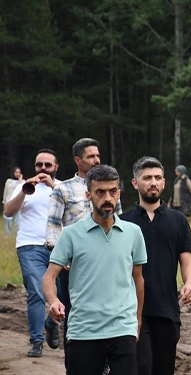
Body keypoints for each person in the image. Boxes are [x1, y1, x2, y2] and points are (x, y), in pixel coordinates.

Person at [42, 164, 147, 375]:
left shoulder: (134, 233)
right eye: (100, 192)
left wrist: (137, 320)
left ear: (119, 193)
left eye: (112, 191)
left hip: (122, 329)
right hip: (84, 331)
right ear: (89, 194)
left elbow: (138, 280)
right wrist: (53, 301)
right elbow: (49, 278)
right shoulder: (71, 234)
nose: (107, 198)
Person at [46, 137, 121, 369]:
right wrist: (62, 254)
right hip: (74, 264)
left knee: (110, 309)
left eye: (98, 155)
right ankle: (75, 364)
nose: (97, 159)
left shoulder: (110, 185)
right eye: (91, 156)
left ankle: (106, 362)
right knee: (75, 317)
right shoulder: (63, 189)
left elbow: (118, 219)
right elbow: (52, 225)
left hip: (106, 261)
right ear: (78, 160)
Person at [120, 157, 191, 375]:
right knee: (142, 368)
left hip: (167, 310)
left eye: (157, 178)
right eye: (147, 178)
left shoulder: (178, 220)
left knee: (164, 370)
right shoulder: (123, 222)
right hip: (132, 311)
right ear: (135, 183)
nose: (153, 182)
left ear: (164, 182)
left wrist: (189, 284)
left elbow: (187, 260)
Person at [3, 150, 61, 357]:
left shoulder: (62, 187)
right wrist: (24, 191)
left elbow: (74, 211)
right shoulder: (23, 186)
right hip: (29, 246)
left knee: (61, 294)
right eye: (39, 165)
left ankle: (50, 323)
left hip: (59, 247)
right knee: (36, 291)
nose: (43, 169)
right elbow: (8, 212)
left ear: (56, 167)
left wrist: (55, 187)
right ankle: (36, 341)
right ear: (35, 167)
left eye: (48, 165)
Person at [3, 166, 23, 236]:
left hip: (18, 204)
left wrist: (20, 180)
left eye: (19, 172)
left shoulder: (22, 182)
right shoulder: (9, 181)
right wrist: (4, 201)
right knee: (7, 220)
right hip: (9, 202)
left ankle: (17, 235)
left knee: (18, 221)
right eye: (16, 172)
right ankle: (7, 235)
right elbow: (6, 192)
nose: (17, 174)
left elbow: (23, 189)